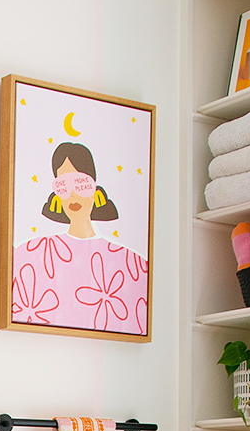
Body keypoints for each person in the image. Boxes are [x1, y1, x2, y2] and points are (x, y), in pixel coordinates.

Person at [11, 141, 148, 335]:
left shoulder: (131, 263)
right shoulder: (31, 254)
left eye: (81, 183)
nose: (73, 194)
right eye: (63, 185)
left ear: (95, 189)